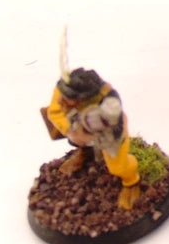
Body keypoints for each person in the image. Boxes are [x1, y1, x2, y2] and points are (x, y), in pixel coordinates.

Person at [41, 64, 141, 210]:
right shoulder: (63, 90)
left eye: (68, 100)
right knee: (78, 141)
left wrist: (89, 131)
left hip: (106, 135)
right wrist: (70, 129)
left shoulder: (107, 105)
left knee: (118, 166)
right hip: (77, 132)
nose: (62, 101)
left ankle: (131, 182)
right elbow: (54, 112)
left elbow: (110, 129)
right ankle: (85, 153)